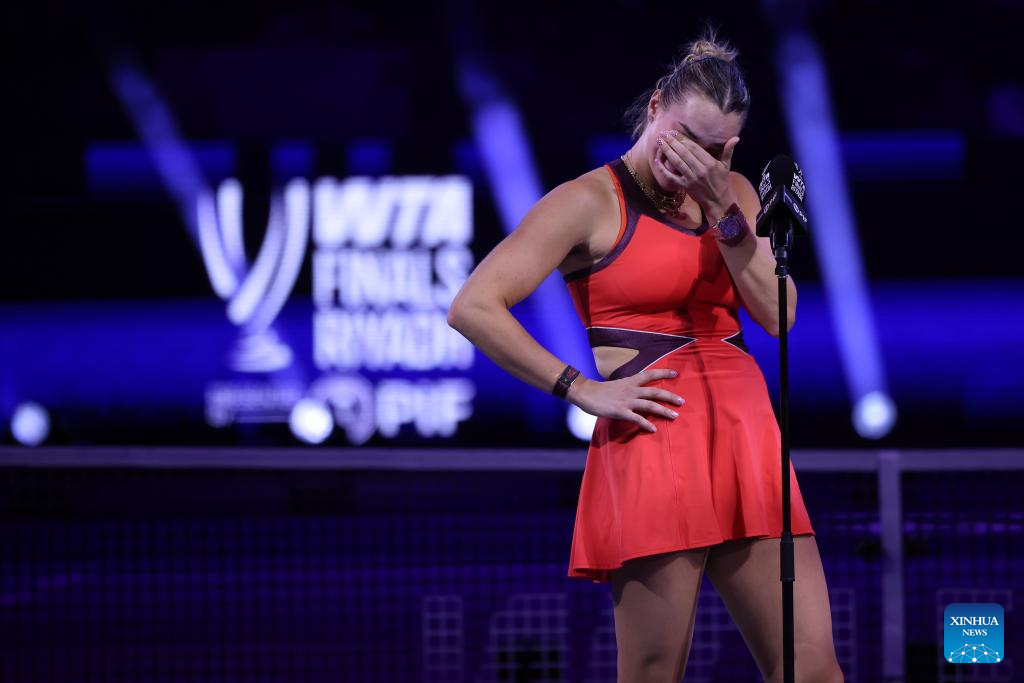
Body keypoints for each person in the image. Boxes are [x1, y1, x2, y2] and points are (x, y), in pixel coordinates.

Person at [446, 27, 844, 683]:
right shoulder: (586, 201)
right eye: (683, 138)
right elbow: (473, 305)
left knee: (811, 668)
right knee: (654, 670)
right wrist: (579, 388)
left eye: (712, 149)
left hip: (747, 437)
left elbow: (779, 316)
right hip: (656, 439)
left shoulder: (735, 195)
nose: (691, 160)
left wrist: (723, 208)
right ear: (656, 105)